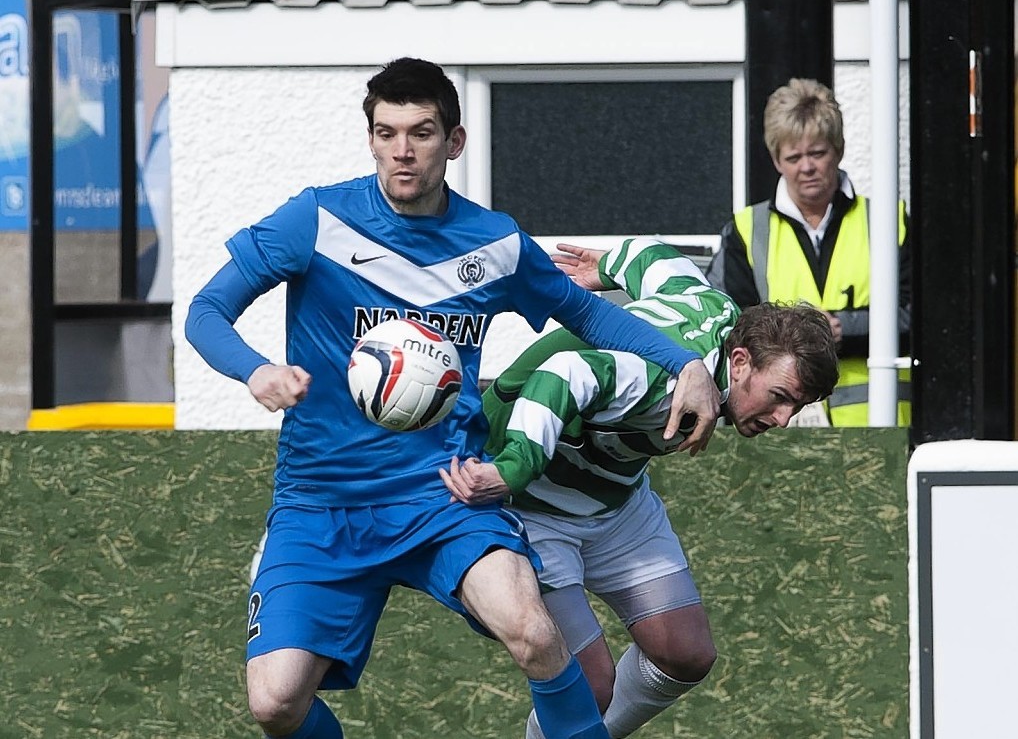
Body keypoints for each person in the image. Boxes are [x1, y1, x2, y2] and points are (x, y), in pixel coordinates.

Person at [185, 58, 724, 739]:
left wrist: (685, 366)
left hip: (443, 492)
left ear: (455, 141)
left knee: (533, 628)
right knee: (275, 702)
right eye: (386, 132)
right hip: (321, 501)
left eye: (421, 132)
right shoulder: (316, 219)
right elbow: (206, 310)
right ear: (371, 137)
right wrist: (255, 369)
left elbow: (588, 316)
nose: (401, 150)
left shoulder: (494, 242)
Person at [440, 238, 840, 738]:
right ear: (740, 362)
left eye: (795, 407)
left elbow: (659, 260)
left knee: (687, 654)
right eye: (780, 397)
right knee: (591, 687)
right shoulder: (666, 382)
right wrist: (514, 469)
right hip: (532, 505)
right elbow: (564, 374)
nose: (782, 420)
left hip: (616, 499)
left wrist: (603, 267)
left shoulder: (718, 308)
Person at [706, 77, 911, 426]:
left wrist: (844, 329)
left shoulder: (889, 221)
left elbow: (921, 318)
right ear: (776, 160)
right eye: (793, 157)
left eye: (818, 153)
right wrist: (803, 338)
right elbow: (724, 324)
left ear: (839, 150)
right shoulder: (746, 229)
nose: (806, 167)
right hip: (776, 433)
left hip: (877, 432)